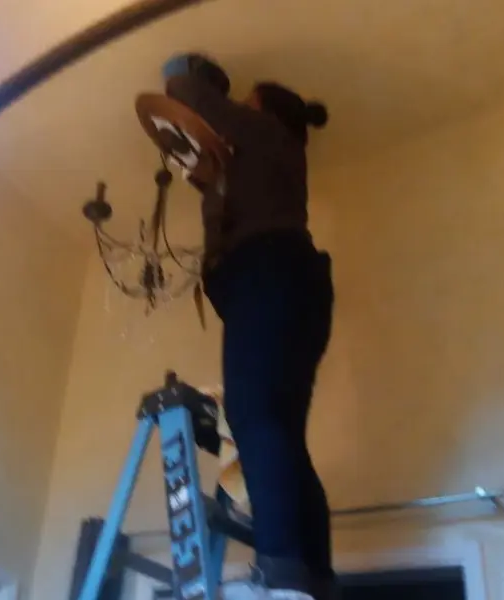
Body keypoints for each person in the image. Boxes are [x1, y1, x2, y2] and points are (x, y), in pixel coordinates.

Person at [162, 54, 336, 600]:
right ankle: (310, 578)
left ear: (264, 113)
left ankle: (281, 571)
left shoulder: (267, 133)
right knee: (280, 431)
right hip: (287, 282)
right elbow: (217, 225)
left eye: (246, 105)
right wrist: (211, 183)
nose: (237, 113)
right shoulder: (260, 168)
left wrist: (197, 79)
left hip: (271, 273)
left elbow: (182, 86)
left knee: (255, 414)